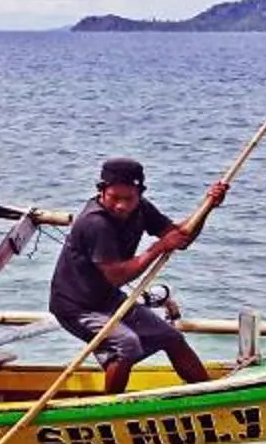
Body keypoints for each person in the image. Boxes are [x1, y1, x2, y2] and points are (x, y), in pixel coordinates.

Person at [47, 156, 226, 392]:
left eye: (128, 199)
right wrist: (159, 247)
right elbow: (118, 276)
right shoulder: (95, 223)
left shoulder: (141, 208)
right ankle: (108, 409)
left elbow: (180, 238)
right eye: (114, 198)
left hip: (107, 299)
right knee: (127, 344)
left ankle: (207, 394)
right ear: (102, 191)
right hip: (76, 306)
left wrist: (208, 207)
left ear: (139, 193)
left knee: (171, 337)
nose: (121, 206)